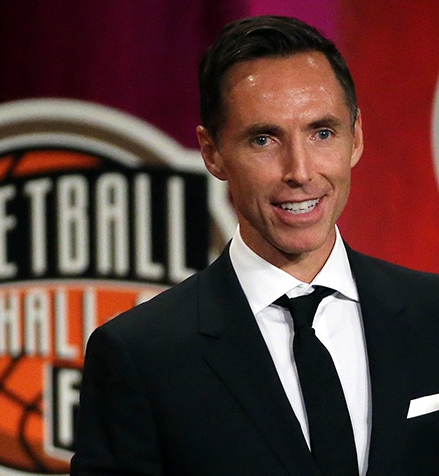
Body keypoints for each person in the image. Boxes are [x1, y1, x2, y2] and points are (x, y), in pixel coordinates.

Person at [70, 15, 439, 476]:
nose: (300, 171)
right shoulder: (140, 356)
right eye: (264, 139)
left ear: (356, 137)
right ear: (213, 153)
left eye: (322, 133)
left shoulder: (433, 315)